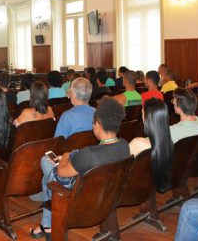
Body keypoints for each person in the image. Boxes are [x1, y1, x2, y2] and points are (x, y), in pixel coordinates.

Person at [29, 97, 130, 238]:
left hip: (79, 202)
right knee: (47, 179)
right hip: (107, 197)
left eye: (93, 123)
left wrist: (65, 155)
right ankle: (45, 224)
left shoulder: (89, 154)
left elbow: (61, 172)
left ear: (99, 124)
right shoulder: (124, 145)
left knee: (45, 162)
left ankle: (48, 226)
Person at [129, 98, 173, 192]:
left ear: (146, 118)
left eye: (142, 113)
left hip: (134, 188)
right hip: (151, 184)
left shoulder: (137, 143)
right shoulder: (168, 141)